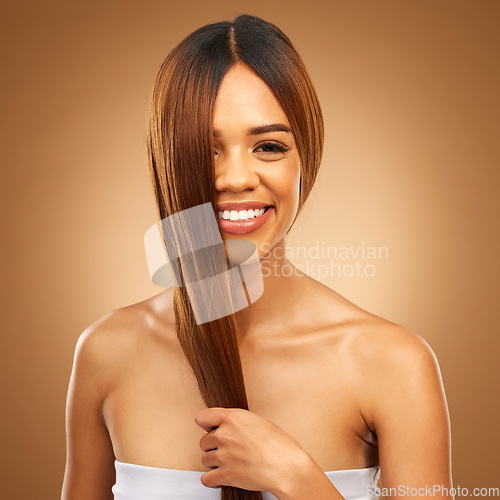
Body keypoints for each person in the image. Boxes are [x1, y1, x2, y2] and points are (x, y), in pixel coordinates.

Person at [61, 14, 454, 500]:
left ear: (305, 158)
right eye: (206, 150)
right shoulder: (107, 353)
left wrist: (296, 477)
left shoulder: (393, 365)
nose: (235, 178)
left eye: (268, 146)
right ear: (166, 161)